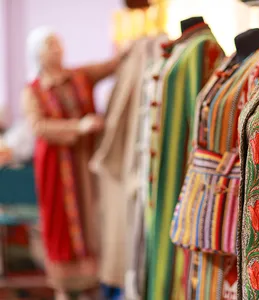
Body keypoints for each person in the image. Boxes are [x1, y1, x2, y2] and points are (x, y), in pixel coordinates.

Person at [22, 26, 127, 300]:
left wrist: (130, 46)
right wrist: (78, 127)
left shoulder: (80, 76)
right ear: (39, 54)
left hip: (84, 163)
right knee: (62, 222)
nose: (57, 49)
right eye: (50, 46)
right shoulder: (33, 91)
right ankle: (65, 286)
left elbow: (111, 66)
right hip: (56, 168)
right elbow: (38, 126)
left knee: (92, 216)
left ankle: (93, 281)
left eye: (58, 43)